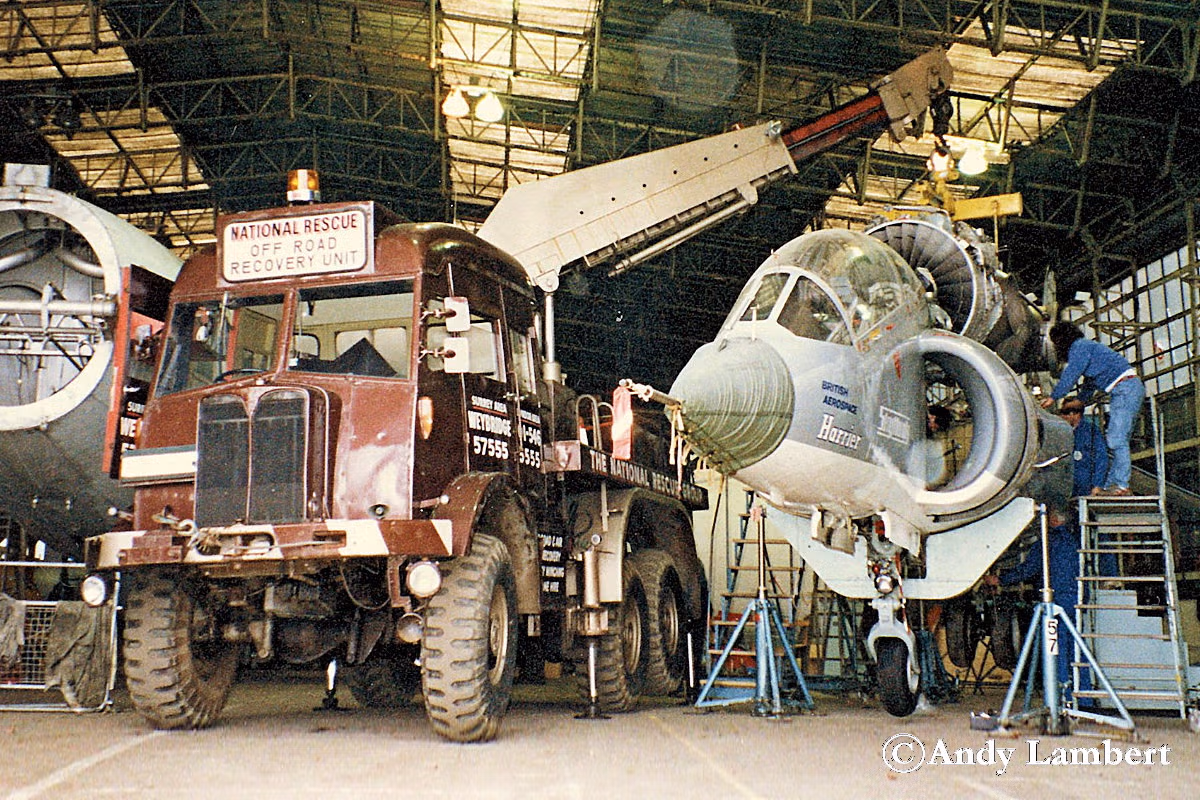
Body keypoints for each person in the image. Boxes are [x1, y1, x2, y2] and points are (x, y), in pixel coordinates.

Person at [1042, 321, 1144, 496]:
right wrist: (1080, 401)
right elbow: (1090, 383)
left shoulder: (1079, 347)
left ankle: (1120, 483)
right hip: (1126, 388)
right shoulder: (1089, 349)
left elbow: (1072, 373)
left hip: (1124, 388)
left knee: (1115, 439)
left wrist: (1054, 396)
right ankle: (1113, 484)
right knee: (1117, 439)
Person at [1058, 396, 1108, 498]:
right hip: (1064, 486)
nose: (1062, 416)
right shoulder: (1060, 433)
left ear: (1074, 414)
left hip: (1085, 486)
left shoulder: (1091, 432)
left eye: (1064, 413)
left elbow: (1101, 459)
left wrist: (1097, 485)